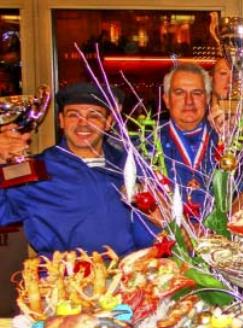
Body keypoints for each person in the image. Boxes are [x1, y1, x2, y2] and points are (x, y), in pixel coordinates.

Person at [0, 82, 155, 255]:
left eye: (94, 115)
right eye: (73, 115)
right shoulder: (35, 169)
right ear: (61, 121)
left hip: (128, 276)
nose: (83, 123)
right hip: (64, 278)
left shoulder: (131, 166)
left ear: (108, 122)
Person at [161, 63, 219, 208]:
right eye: (179, 92)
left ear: (207, 99)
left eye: (197, 93)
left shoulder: (225, 143)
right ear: (167, 100)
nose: (189, 101)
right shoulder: (145, 146)